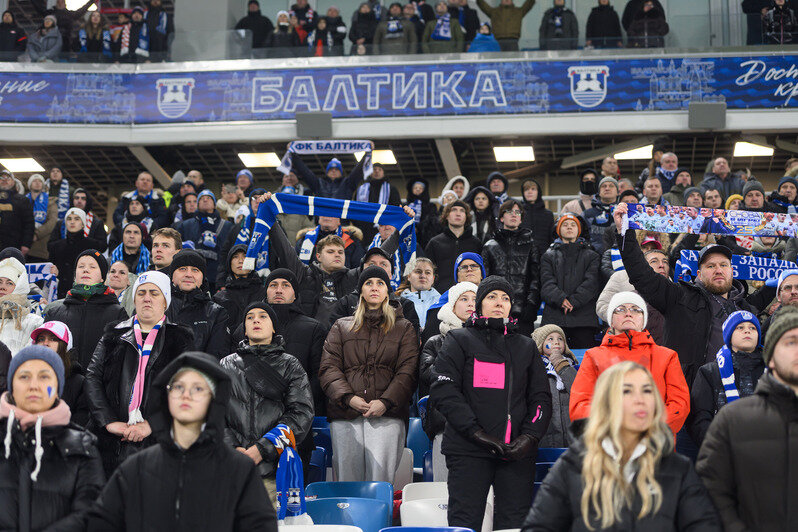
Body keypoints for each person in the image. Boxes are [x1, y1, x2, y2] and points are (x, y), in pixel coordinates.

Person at [88, 351, 278, 531]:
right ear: (167, 397)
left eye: (197, 388)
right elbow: (101, 524)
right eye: (178, 387)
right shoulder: (136, 468)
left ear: (213, 399)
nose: (186, 394)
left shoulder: (239, 470)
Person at [524, 361, 721, 531]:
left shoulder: (679, 469)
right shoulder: (572, 467)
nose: (640, 399)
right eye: (627, 391)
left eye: (647, 390)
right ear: (606, 403)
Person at [432, 276, 551, 531]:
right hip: (468, 449)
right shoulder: (459, 339)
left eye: (506, 298)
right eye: (492, 297)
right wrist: (476, 433)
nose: (500, 302)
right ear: (479, 304)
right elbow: (444, 391)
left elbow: (541, 398)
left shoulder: (526, 346)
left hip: (516, 452)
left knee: (513, 524)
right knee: (465, 521)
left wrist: (529, 438)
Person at [613, 202, 776, 389]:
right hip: (689, 393)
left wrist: (775, 286)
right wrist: (624, 232)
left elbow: (764, 303)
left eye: (723, 265)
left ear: (732, 271)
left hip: (738, 392)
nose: (718, 270)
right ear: (698, 274)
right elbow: (641, 275)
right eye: (710, 266)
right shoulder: (679, 297)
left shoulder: (744, 307)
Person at [698, 306, 798, 531]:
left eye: (752, 328)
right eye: (790, 342)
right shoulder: (731, 419)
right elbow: (713, 490)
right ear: (770, 358)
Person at [85, 270, 193, 475]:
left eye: (154, 293)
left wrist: (151, 424)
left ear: (165, 302)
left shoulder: (180, 338)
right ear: (134, 299)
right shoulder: (113, 333)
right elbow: (92, 378)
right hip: (109, 443)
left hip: (158, 444)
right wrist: (108, 421)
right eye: (141, 293)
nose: (147, 298)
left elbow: (185, 390)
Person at [319, 266, 419, 482]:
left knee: (380, 482)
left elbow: (408, 371)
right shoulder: (341, 326)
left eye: (380, 283)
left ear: (387, 291)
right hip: (346, 413)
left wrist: (385, 401)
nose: (374, 288)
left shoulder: (405, 328)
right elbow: (328, 368)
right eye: (369, 283)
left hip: (387, 413)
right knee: (346, 483)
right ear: (361, 290)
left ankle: (380, 518)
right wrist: (348, 398)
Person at [0, 344, 105, 531]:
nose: (34, 385)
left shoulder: (82, 448)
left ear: (57, 388)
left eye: (44, 377)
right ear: (11, 386)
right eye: (24, 376)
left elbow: (91, 516)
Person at [221, 302, 314, 502]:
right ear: (244, 329)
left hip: (276, 473)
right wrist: (234, 450)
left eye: (263, 316)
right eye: (250, 317)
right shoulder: (225, 365)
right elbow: (213, 416)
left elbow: (301, 414)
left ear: (273, 327)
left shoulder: (291, 365)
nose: (256, 320)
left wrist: (262, 449)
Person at [570, 291, 690, 436]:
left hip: (655, 445)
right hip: (607, 446)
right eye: (620, 309)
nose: (628, 313)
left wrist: (648, 427)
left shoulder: (667, 356)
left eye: (635, 309)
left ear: (643, 320)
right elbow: (579, 406)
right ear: (611, 321)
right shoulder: (593, 356)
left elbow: (680, 404)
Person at [419, 281, 477, 481]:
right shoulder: (435, 342)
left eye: (475, 299)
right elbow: (429, 375)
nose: (471, 304)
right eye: (464, 299)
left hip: (481, 426)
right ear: (452, 305)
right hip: (445, 423)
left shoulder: (489, 340)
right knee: (442, 490)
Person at [689, 311, 765, 447]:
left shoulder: (774, 370)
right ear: (729, 336)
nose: (747, 331)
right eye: (740, 327)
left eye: (752, 328)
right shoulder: (709, 372)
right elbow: (700, 418)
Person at [43, 250, 127, 370]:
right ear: (74, 275)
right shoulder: (55, 312)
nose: (85, 270)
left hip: (100, 385)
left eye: (92, 267)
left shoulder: (118, 313)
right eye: (81, 266)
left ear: (103, 277)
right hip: (63, 384)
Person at [541, 214, 601, 348]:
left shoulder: (592, 255)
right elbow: (546, 283)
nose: (569, 227)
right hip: (554, 318)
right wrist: (561, 299)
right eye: (565, 225)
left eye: (573, 225)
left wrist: (574, 301)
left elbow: (592, 283)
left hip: (584, 319)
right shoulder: (548, 255)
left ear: (578, 230)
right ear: (558, 230)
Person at [482, 199, 541, 329]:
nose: (514, 215)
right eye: (509, 211)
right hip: (496, 311)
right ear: (501, 218)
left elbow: (536, 279)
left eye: (517, 212)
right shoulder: (489, 246)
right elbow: (485, 280)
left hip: (523, 312)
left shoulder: (531, 245)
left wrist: (531, 305)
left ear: (521, 219)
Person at [596, 246, 668, 345]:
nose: (661, 265)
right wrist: (622, 320)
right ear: (643, 265)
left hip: (662, 343)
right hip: (627, 342)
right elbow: (602, 305)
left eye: (665, 262)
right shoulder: (621, 276)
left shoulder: (671, 286)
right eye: (654, 261)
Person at [166, 250, 230, 359]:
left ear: (202, 279)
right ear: (172, 276)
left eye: (195, 270)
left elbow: (215, 358)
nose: (188, 274)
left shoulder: (217, 314)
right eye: (182, 269)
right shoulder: (159, 307)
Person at [30, 320, 90, 427]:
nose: (45, 343)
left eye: (53, 339)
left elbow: (82, 419)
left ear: (65, 346)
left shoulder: (78, 382)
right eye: (41, 339)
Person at [421, 252, 486, 345]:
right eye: (463, 267)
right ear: (457, 277)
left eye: (474, 266)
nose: (469, 269)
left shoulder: (491, 299)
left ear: (482, 274)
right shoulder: (442, 303)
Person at [531, 324, 579, 448]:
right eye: (550, 339)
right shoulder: (533, 368)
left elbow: (578, 389)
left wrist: (560, 364)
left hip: (571, 434)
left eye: (560, 339)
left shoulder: (572, 367)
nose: (556, 342)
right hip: (546, 435)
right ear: (540, 344)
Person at [176, 190, 234, 292]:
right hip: (192, 276)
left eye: (209, 198)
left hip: (217, 276)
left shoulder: (227, 226)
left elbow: (230, 254)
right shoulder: (185, 225)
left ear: (215, 204)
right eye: (202, 199)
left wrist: (224, 279)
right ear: (198, 204)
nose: (205, 200)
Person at [426, 201, 483, 293]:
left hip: (470, 294)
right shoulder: (435, 242)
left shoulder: (476, 243)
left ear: (466, 217)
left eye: (462, 211)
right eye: (454, 210)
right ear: (446, 216)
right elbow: (428, 271)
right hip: (440, 293)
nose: (458, 213)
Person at [48, 208, 106, 299]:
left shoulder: (93, 246)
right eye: (69, 219)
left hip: (85, 295)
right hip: (60, 294)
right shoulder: (56, 246)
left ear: (83, 224)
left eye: (77, 219)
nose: (72, 222)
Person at [213, 244, 267, 332]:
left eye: (245, 257)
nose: (241, 261)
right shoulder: (219, 298)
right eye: (235, 257)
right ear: (229, 263)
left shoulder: (265, 293)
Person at [0, 257, 43, 355]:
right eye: (0, 282)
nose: (2, 287)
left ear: (19, 287)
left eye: (9, 283)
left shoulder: (35, 323)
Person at [398, 258, 441, 330]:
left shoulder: (442, 302)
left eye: (427, 272)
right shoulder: (398, 303)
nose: (423, 276)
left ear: (433, 278)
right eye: (418, 271)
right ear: (409, 276)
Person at [24, 173, 57, 262]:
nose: (37, 183)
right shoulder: (23, 201)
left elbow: (52, 222)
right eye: (34, 181)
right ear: (30, 184)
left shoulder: (51, 202)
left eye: (40, 181)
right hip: (23, 246)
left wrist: (37, 234)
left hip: (41, 247)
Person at [0, 170, 34, 256]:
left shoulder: (22, 200)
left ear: (13, 182)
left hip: (15, 245)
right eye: (1, 178)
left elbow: (29, 224)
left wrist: (26, 244)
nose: (4, 180)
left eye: (8, 178)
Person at [583, 176, 620, 254]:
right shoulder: (587, 214)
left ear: (617, 192)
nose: (607, 188)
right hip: (594, 257)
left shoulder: (623, 213)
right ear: (599, 192)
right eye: (604, 186)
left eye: (611, 186)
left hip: (619, 256)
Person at [520, 179, 555, 252]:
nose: (530, 192)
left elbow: (552, 238)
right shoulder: (518, 213)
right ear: (523, 193)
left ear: (538, 192)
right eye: (526, 189)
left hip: (544, 256)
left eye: (533, 189)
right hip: (522, 255)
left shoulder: (548, 214)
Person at [405, 178, 439, 249]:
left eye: (421, 188)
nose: (418, 189)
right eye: (415, 187)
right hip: (407, 236)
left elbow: (432, 222)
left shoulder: (431, 206)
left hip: (425, 239)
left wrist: (418, 228)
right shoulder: (405, 205)